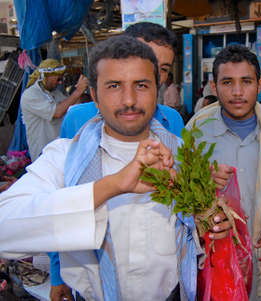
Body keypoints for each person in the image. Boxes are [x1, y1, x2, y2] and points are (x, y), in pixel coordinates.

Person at [0, 35, 200, 301]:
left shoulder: (182, 155)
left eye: (141, 85)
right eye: (114, 85)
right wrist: (112, 185)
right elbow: (5, 228)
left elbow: (195, 234)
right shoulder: (65, 158)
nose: (129, 99)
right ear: (94, 94)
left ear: (157, 88)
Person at [51, 21, 187, 300]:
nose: (129, 97)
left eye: (162, 69)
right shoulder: (78, 124)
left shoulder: (172, 123)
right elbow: (59, 195)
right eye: (115, 84)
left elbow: (182, 195)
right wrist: (57, 272)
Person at [187, 44, 261, 300]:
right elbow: (179, 199)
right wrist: (200, 182)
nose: (237, 92)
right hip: (215, 262)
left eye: (246, 81)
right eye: (227, 82)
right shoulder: (195, 134)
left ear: (260, 84)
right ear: (214, 87)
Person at [59, 22, 184, 140]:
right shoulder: (77, 118)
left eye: (164, 69)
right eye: (146, 63)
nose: (154, 75)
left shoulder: (172, 119)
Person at [20, 59, 88, 161]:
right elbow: (57, 112)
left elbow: (71, 107)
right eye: (58, 79)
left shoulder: (55, 93)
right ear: (46, 77)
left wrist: (84, 92)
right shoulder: (30, 95)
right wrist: (78, 92)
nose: (60, 82)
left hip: (59, 149)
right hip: (43, 154)